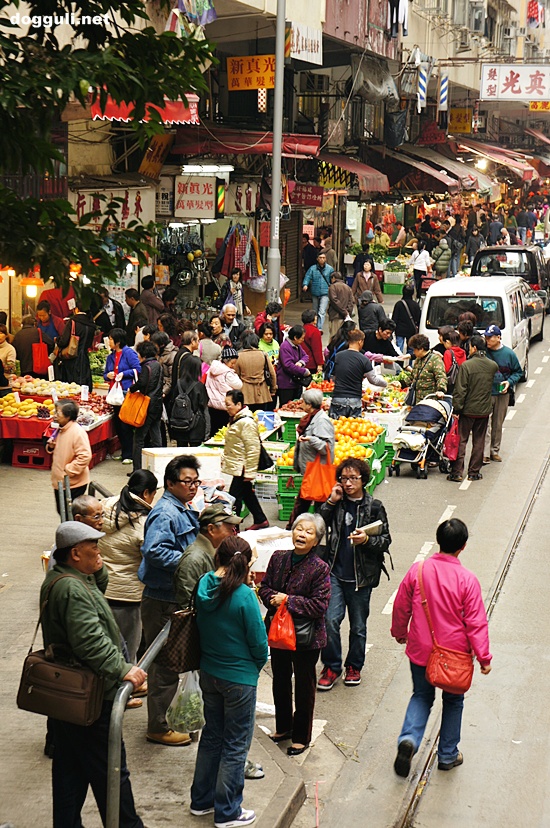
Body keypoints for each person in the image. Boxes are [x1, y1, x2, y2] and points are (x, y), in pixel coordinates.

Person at [41, 521, 147, 828]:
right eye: (93, 549)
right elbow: (90, 641)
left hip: (70, 697)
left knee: (69, 770)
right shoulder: (72, 588)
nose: (99, 553)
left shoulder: (67, 577)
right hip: (88, 696)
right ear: (75, 554)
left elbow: (98, 587)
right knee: (111, 771)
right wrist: (123, 669)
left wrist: (98, 566)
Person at [391, 518, 492, 778]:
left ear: (438, 540)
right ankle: (447, 755)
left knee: (421, 696)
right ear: (463, 546)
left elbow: (401, 605)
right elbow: (476, 622)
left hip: (421, 650)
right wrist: (484, 657)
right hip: (455, 656)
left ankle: (410, 740)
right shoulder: (467, 580)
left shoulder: (418, 570)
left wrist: (400, 632)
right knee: (453, 701)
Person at [190, 536, 268, 827]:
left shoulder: (203, 585)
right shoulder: (244, 595)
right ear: (246, 562)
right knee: (235, 745)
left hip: (209, 672)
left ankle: (201, 801)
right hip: (239, 678)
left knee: (212, 737)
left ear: (217, 558)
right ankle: (228, 812)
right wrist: (254, 666)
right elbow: (259, 643)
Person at [140, 455, 201, 745]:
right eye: (187, 482)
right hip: (161, 599)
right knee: (163, 665)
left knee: (173, 662)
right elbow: (154, 551)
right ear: (170, 483)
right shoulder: (166, 513)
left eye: (195, 481)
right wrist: (190, 562)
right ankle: (158, 727)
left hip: (174, 597)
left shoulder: (182, 507)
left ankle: (170, 718)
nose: (193, 487)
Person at [259, 514, 331, 755]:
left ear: (316, 540)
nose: (301, 534)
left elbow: (320, 605)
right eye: (299, 529)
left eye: (308, 532)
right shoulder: (279, 558)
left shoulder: (319, 568)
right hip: (279, 633)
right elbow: (265, 586)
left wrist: (288, 601)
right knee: (280, 680)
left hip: (306, 637)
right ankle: (283, 727)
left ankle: (301, 736)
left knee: (303, 685)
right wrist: (272, 598)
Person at [317, 457, 391, 690]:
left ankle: (354, 665)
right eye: (344, 478)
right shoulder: (337, 503)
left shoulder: (374, 506)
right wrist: (331, 501)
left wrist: (367, 539)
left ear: (363, 480)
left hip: (361, 578)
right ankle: (331, 666)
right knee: (330, 620)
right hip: (335, 574)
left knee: (358, 626)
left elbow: (385, 540)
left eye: (353, 478)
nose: (348, 483)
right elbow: (318, 524)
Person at [100, 470, 158, 663]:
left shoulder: (106, 505)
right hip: (127, 595)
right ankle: (124, 691)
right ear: (146, 493)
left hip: (103, 587)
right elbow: (150, 557)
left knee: (106, 645)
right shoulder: (143, 523)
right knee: (127, 651)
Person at [447, 334, 497, 483]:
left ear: (474, 348)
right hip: (484, 411)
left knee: (461, 441)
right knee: (479, 441)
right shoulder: (492, 366)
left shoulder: (466, 366)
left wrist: (456, 409)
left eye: (469, 347)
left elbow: (460, 390)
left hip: (467, 410)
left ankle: (457, 472)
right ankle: (474, 472)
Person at [174, 504, 242, 608]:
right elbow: (189, 604)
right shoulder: (193, 560)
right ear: (211, 529)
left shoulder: (215, 552)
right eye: (230, 529)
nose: (234, 534)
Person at [285, 389, 335, 529]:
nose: (301, 404)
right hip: (310, 469)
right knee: (310, 502)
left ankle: (294, 529)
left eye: (303, 402)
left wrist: (311, 439)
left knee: (308, 502)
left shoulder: (322, 421)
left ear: (309, 405)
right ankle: (301, 529)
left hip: (316, 470)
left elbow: (326, 448)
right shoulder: (312, 417)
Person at [223, 389, 269, 530]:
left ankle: (233, 526)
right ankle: (261, 519)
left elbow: (253, 448)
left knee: (234, 497)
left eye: (229, 404)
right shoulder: (237, 419)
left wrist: (249, 472)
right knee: (247, 493)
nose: (227, 408)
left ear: (238, 404)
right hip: (238, 464)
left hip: (242, 466)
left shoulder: (246, 422)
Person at [483, 324, 523, 464]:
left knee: (497, 423)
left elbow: (518, 372)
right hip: (486, 393)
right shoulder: (484, 352)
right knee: (485, 423)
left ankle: (495, 450)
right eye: (486, 337)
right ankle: (485, 453)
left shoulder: (509, 354)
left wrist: (509, 382)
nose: (487, 340)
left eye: (490, 337)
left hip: (502, 393)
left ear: (498, 338)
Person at [47, 400, 92, 515]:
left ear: (68, 416)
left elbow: (85, 456)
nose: (55, 416)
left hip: (72, 483)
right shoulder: (60, 429)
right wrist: (51, 447)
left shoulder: (77, 432)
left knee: (69, 514)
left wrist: (68, 470)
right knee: (62, 512)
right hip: (60, 482)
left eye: (58, 413)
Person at [329, 329, 386, 420]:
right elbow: (373, 380)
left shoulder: (338, 356)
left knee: (337, 428)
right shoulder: (364, 359)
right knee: (354, 429)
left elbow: (333, 376)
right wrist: (386, 384)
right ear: (360, 341)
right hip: (354, 400)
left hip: (338, 398)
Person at [104, 328, 141, 464]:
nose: (109, 342)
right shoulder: (110, 357)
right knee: (118, 424)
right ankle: (124, 450)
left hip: (126, 393)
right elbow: (105, 373)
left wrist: (124, 374)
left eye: (111, 339)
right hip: (114, 393)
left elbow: (138, 369)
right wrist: (108, 375)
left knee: (125, 424)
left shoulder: (129, 353)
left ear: (118, 341)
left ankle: (129, 454)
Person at [130, 341, 163, 472]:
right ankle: (159, 465)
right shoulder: (157, 365)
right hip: (157, 404)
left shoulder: (146, 367)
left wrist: (133, 388)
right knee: (156, 435)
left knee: (139, 438)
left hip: (146, 405)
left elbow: (142, 383)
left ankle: (137, 468)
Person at [171, 354, 210, 447]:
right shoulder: (199, 386)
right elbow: (204, 405)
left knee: (181, 452)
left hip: (180, 424)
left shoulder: (178, 384)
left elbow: (172, 402)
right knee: (195, 453)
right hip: (196, 426)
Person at [235, 330, 277, 412]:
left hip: (245, 393)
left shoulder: (239, 356)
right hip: (262, 392)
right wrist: (273, 389)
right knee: (260, 419)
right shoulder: (263, 355)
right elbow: (272, 374)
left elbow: (236, 376)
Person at [55, 305, 96, 388]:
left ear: (77, 309)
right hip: (84, 359)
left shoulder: (73, 321)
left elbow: (63, 341)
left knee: (71, 386)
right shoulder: (91, 324)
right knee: (83, 384)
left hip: (71, 359)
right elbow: (89, 343)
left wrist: (57, 340)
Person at [206, 346, 243, 434]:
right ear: (226, 361)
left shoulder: (212, 369)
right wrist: (235, 374)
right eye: (232, 363)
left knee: (214, 430)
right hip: (224, 405)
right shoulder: (227, 373)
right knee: (224, 431)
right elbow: (239, 385)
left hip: (212, 404)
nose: (233, 365)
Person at [401, 335, 447, 402]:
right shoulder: (418, 359)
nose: (413, 352)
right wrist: (401, 383)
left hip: (429, 399)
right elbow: (413, 377)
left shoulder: (435, 360)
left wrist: (441, 390)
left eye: (415, 349)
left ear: (421, 349)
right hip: (417, 399)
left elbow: (441, 377)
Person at [276, 325, 311, 407]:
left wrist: (301, 362)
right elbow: (288, 366)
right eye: (302, 338)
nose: (303, 340)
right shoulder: (285, 347)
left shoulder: (297, 346)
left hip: (296, 383)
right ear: (295, 337)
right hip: (286, 385)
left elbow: (305, 356)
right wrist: (304, 372)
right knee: (286, 407)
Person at [302, 251, 334, 331]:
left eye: (323, 258)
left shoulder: (330, 269)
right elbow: (307, 276)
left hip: (325, 293)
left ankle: (319, 328)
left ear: (326, 259)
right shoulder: (312, 268)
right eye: (320, 258)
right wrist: (305, 284)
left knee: (322, 311)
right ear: (317, 259)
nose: (322, 259)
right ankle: (315, 326)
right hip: (315, 292)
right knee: (315, 311)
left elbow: (333, 279)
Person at [151, 330, 177, 407]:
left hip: (166, 393)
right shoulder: (159, 353)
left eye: (154, 345)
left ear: (161, 345)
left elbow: (171, 378)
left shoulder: (172, 356)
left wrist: (164, 392)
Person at [392, 285, 420, 353]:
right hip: (411, 330)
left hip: (400, 330)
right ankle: (410, 363)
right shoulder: (415, 305)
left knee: (399, 348)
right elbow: (418, 318)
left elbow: (394, 318)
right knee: (411, 348)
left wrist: (392, 329)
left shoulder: (399, 304)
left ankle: (399, 362)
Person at [328, 271, 355, 339]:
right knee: (344, 337)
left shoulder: (332, 287)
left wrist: (344, 312)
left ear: (333, 278)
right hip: (346, 317)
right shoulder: (348, 288)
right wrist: (348, 312)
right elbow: (351, 301)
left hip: (335, 315)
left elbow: (334, 301)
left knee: (334, 336)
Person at [441, 329, 467, 394]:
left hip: (451, 383)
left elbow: (446, 369)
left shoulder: (448, 352)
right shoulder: (463, 352)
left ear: (447, 342)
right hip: (461, 381)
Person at [301, 309, 324, 374]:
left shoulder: (302, 329)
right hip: (311, 363)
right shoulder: (315, 331)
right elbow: (317, 349)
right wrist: (320, 364)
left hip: (301, 361)